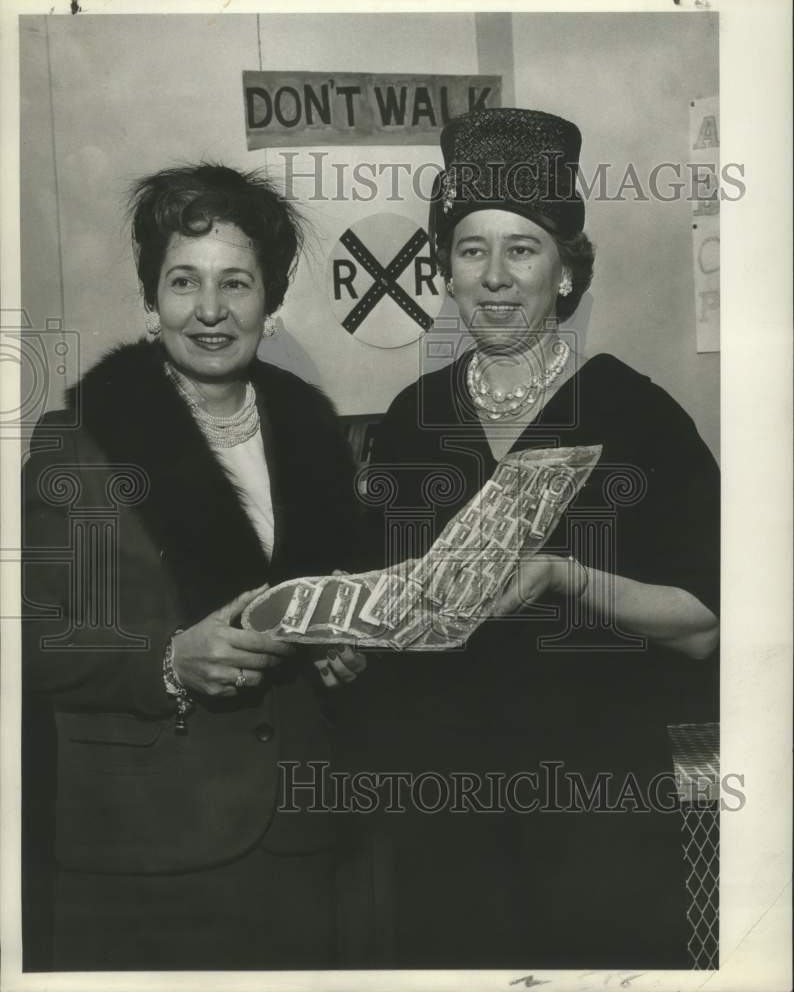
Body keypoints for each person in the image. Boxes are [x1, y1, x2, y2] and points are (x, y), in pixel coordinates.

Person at [360, 108, 720, 969]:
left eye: (522, 249)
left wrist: (561, 575)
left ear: (565, 273)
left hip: (597, 794)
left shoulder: (635, 412)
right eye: (470, 249)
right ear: (445, 271)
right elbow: (386, 606)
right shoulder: (412, 420)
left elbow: (707, 621)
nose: (494, 276)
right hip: (442, 798)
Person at [21, 163, 369, 971]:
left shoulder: (314, 432)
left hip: (301, 837)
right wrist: (169, 662)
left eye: (236, 284)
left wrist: (345, 649)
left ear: (270, 303)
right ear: (151, 298)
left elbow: (329, 599)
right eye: (183, 281)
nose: (209, 311)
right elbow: (26, 639)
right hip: (147, 848)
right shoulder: (77, 443)